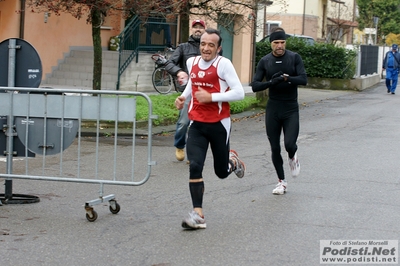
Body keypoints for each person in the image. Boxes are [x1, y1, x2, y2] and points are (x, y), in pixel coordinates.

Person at [174, 28, 246, 229]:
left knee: (221, 172)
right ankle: (198, 214)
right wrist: (183, 97)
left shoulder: (224, 65)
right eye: (203, 44)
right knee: (195, 165)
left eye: (211, 45)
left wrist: (212, 97)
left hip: (219, 125)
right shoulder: (192, 62)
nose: (206, 48)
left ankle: (232, 161)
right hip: (196, 123)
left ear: (218, 48)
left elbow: (239, 92)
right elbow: (193, 84)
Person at [251, 27, 307, 195]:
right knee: (275, 148)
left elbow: (303, 79)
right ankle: (282, 182)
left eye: (282, 42)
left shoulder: (294, 58)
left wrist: (286, 78)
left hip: (290, 108)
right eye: (276, 42)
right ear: (271, 44)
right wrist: (271, 83)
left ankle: (293, 157)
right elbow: (254, 85)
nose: (280, 45)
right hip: (273, 108)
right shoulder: (265, 61)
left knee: (289, 144)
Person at [164, 19, 206, 162]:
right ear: (191, 30)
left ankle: (193, 153)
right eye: (195, 27)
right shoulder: (183, 47)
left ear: (204, 30)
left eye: (201, 27)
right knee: (184, 123)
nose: (198, 29)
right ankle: (180, 145)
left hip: (205, 92)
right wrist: (179, 72)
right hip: (188, 92)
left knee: (199, 124)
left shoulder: (209, 48)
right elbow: (169, 64)